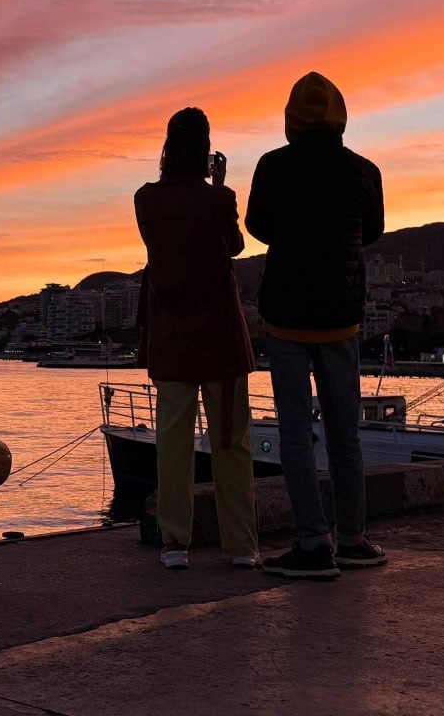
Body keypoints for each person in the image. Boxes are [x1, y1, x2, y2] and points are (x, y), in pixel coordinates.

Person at [245, 71, 386, 579]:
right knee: (345, 434)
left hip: (287, 316)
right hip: (341, 317)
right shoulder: (364, 171)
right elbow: (372, 231)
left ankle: (312, 544)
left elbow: (257, 226)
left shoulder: (273, 165)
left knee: (295, 434)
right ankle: (353, 539)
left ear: (291, 119)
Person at [135, 107, 259, 570]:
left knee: (173, 443)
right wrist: (220, 186)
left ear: (168, 147)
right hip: (220, 337)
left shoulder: (145, 199)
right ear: (206, 149)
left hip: (171, 336)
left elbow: (162, 246)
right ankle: (241, 545)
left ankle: (173, 544)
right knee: (230, 442)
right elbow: (234, 246)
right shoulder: (218, 199)